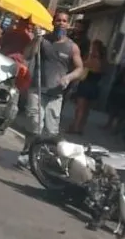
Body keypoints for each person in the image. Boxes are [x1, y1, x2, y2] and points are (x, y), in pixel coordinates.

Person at [16, 11, 84, 168]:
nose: (61, 23)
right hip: (38, 90)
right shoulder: (43, 40)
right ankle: (27, 153)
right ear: (53, 23)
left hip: (56, 95)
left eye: (64, 21)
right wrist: (36, 39)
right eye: (58, 20)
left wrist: (68, 78)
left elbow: (80, 69)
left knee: (51, 131)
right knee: (35, 125)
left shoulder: (72, 47)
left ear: (68, 24)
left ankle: (45, 157)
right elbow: (27, 54)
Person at [69, 39, 106, 135]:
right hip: (94, 86)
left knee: (80, 108)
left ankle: (75, 127)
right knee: (86, 109)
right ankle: (81, 127)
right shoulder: (102, 61)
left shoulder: (92, 60)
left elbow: (81, 65)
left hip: (86, 85)